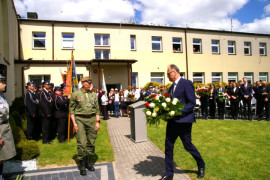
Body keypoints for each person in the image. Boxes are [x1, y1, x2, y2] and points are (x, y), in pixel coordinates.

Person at [161, 64, 205, 180]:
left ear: (175, 72)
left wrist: (178, 112)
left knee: (188, 145)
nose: (167, 75)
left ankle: (201, 164)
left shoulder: (186, 83)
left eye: (168, 73)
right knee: (168, 146)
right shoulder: (171, 87)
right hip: (172, 122)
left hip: (184, 121)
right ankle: (169, 174)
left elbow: (191, 103)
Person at [69, 77, 100, 176]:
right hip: (80, 120)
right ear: (82, 83)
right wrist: (74, 123)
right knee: (82, 143)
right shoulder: (76, 94)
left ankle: (88, 162)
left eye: (90, 81)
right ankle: (82, 165)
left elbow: (97, 110)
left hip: (91, 120)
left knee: (91, 142)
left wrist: (97, 121)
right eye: (87, 82)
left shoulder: (94, 94)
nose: (89, 83)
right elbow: (72, 110)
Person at [0, 75, 16, 179]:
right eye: (2, 82)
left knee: (2, 157)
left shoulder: (2, 95)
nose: (5, 84)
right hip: (0, 130)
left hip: (4, 127)